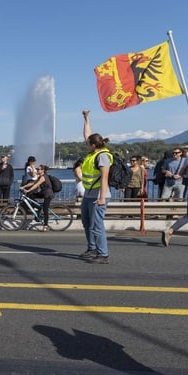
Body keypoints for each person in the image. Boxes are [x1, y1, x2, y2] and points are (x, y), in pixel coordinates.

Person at [80, 110, 111, 264]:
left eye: (88, 143)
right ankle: (92, 248)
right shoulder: (93, 152)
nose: (86, 144)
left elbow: (105, 178)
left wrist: (102, 198)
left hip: (99, 195)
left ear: (93, 145)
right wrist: (86, 118)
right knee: (87, 223)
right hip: (88, 194)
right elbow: (88, 134)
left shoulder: (102, 156)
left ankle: (103, 254)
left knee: (97, 225)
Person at [20, 164, 54, 231]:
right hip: (43, 193)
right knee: (30, 196)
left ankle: (46, 225)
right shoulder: (39, 176)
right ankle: (38, 208)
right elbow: (32, 183)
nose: (37, 170)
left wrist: (28, 190)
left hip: (48, 194)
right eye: (37, 169)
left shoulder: (43, 177)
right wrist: (23, 187)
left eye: (38, 169)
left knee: (45, 209)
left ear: (42, 170)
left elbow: (36, 185)